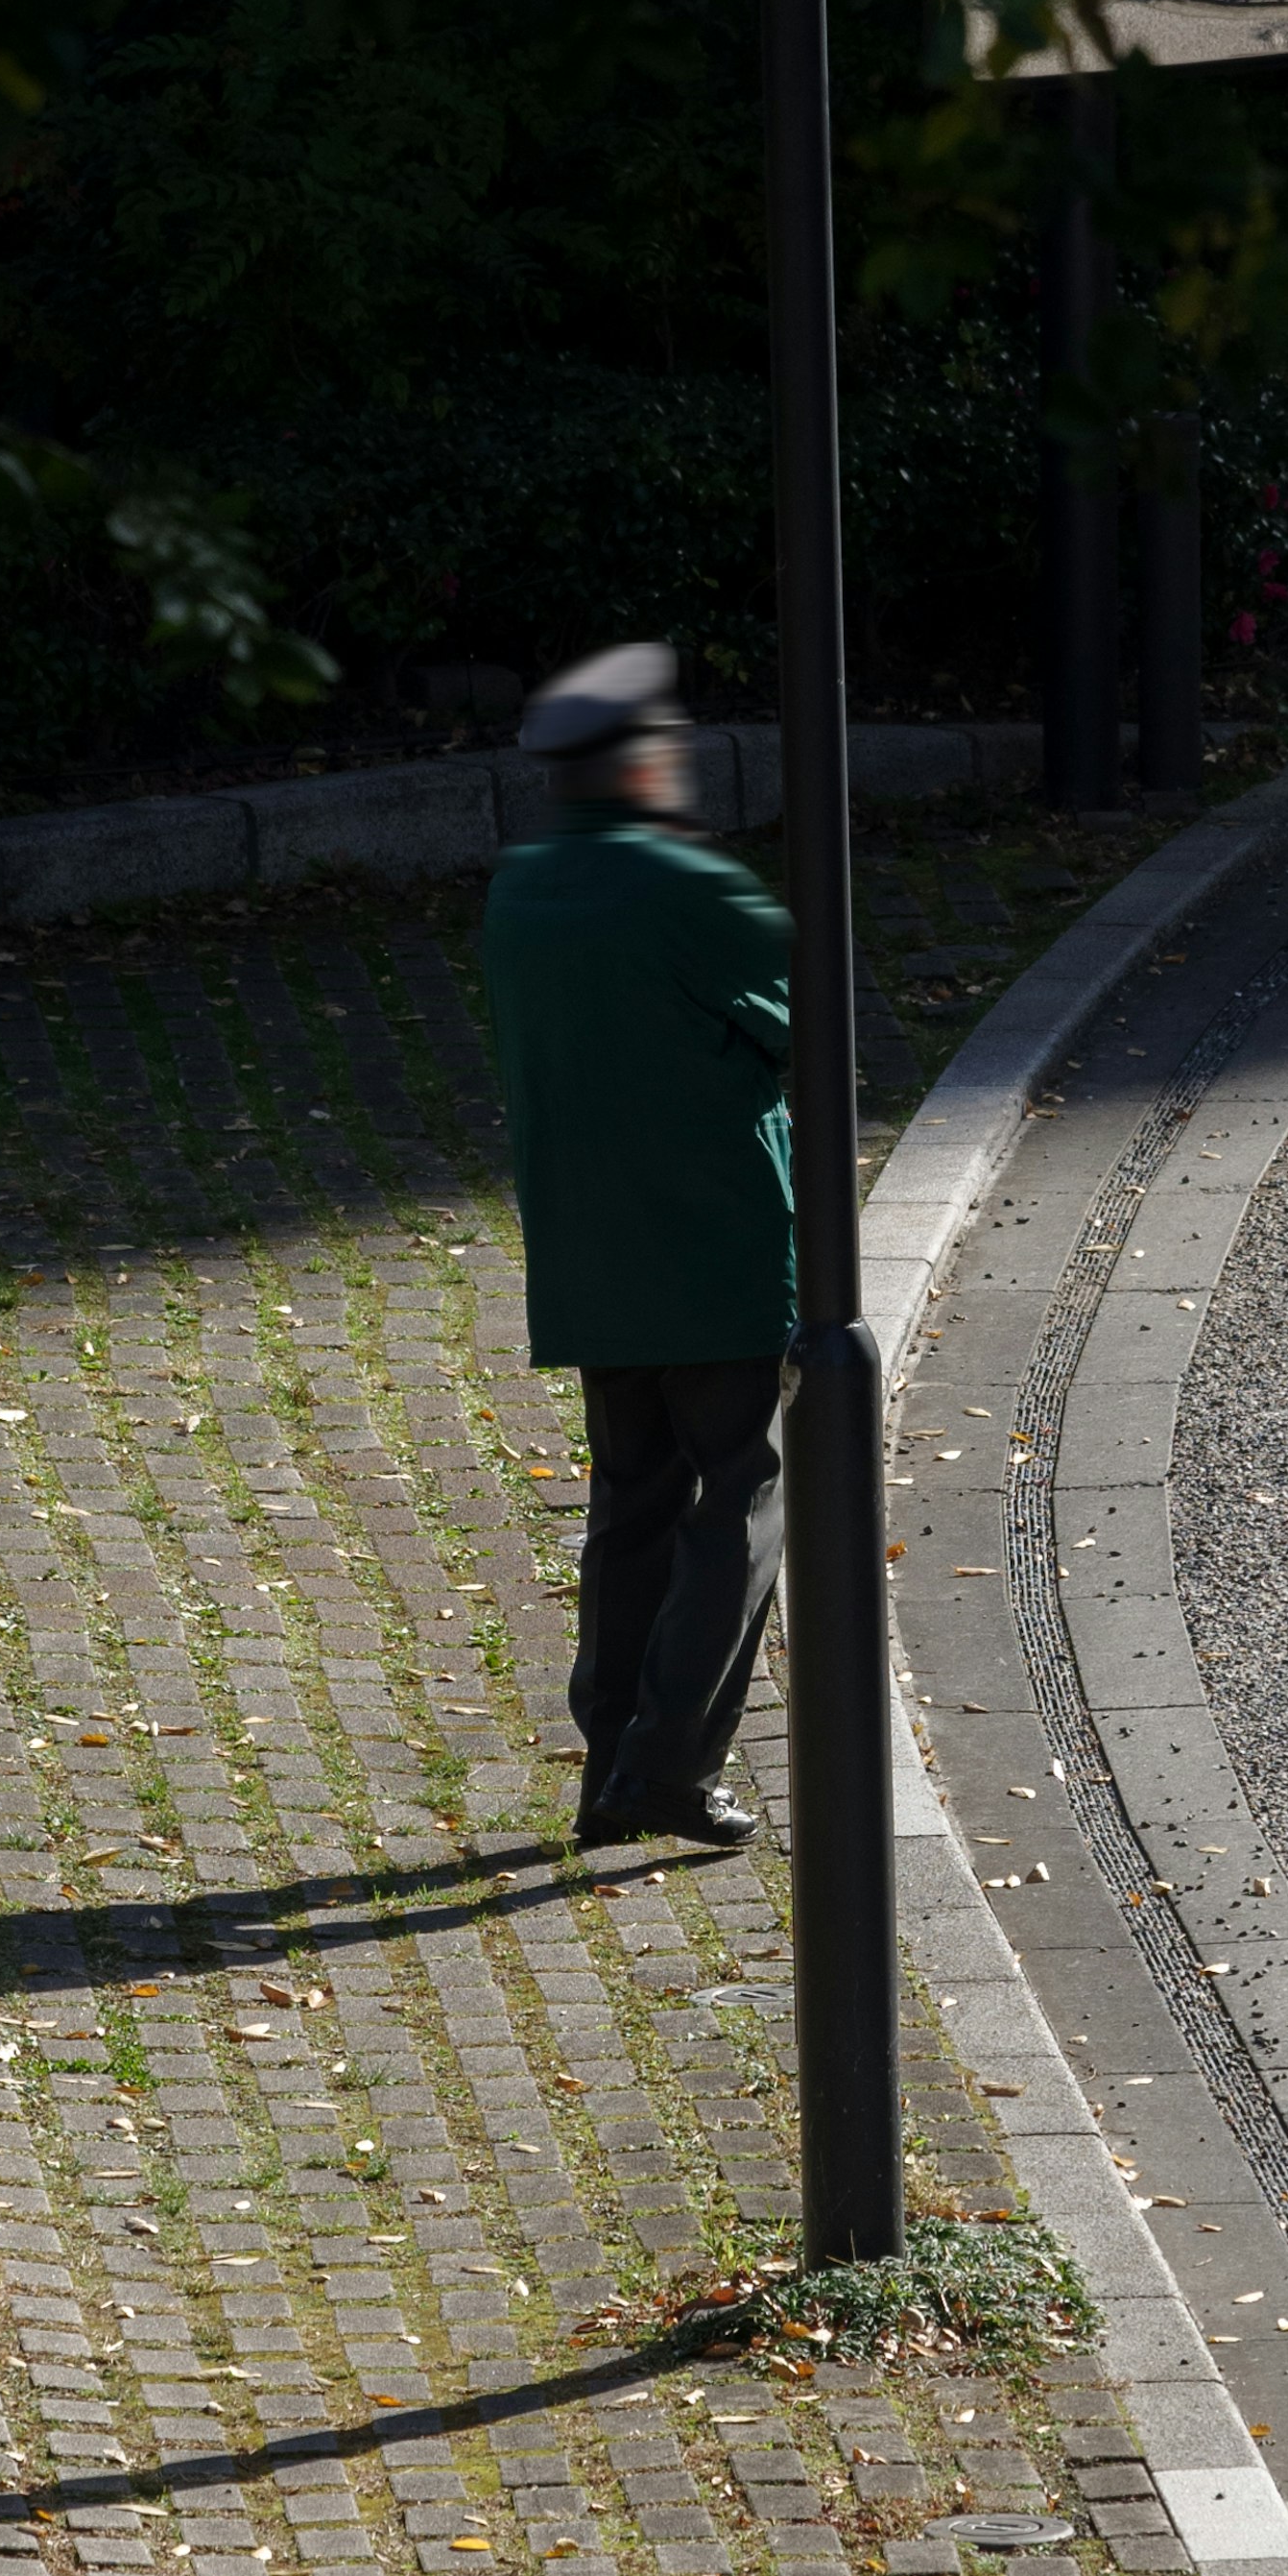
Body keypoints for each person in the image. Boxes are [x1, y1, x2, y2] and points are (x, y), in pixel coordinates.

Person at [482, 639, 794, 1852]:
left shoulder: (523, 882)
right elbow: (799, 1016)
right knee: (741, 1499)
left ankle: (610, 1758)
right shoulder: (687, 885)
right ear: (643, 761)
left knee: (631, 1504)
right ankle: (669, 1763)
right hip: (708, 1246)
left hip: (589, 1251)